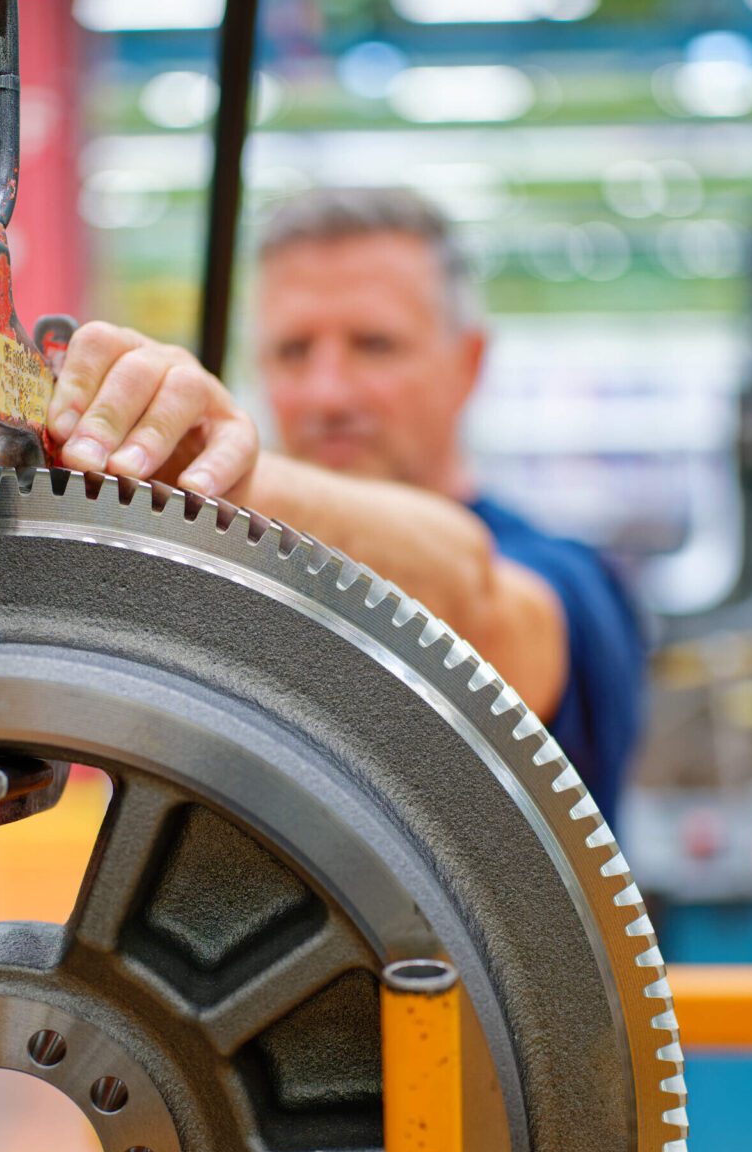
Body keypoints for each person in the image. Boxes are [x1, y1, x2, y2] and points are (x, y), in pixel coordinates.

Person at [44, 187, 644, 820]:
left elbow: (469, 603)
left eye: (374, 345)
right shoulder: (226, 582)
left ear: (468, 365)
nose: (327, 394)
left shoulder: (573, 582)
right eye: (294, 351)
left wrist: (205, 483)